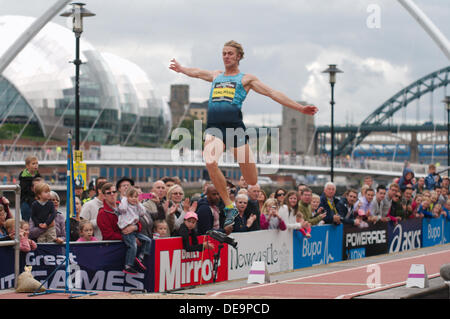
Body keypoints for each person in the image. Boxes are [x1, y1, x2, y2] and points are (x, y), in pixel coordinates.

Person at [169, 40, 318, 228]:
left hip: (235, 127)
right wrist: (181, 69)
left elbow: (272, 93)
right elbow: (197, 72)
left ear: (239, 56)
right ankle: (229, 205)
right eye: (224, 53)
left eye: (230, 53)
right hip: (214, 127)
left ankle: (244, 181)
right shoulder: (216, 75)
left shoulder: (246, 79)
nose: (226, 56)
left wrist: (300, 108)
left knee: (251, 180)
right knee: (210, 161)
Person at [117, 187, 152, 275]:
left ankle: (141, 257)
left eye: (136, 197)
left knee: (147, 240)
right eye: (131, 197)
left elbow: (142, 212)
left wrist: (138, 203)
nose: (133, 199)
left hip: (135, 230)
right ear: (127, 197)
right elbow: (122, 208)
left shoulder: (136, 206)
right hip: (127, 230)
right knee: (133, 246)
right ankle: (128, 266)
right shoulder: (124, 205)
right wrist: (125, 198)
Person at [19, 156, 41, 221]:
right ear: (27, 166)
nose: (36, 165)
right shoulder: (24, 177)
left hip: (37, 201)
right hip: (27, 203)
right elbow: (24, 191)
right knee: (27, 221)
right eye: (33, 164)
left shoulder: (38, 176)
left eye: (37, 163)